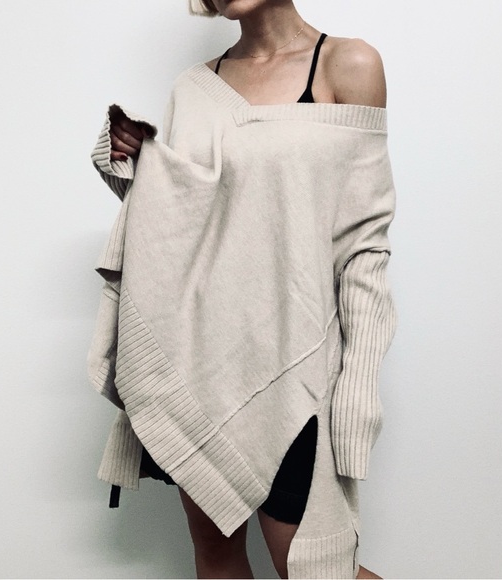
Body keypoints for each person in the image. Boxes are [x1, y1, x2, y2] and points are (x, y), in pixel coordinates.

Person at [91, 1, 396, 578]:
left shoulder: (349, 64)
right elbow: (181, 224)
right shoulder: (195, 89)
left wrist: (359, 385)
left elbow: (364, 244)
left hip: (296, 365)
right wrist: (128, 162)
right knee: (216, 556)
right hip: (197, 361)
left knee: (315, 568)